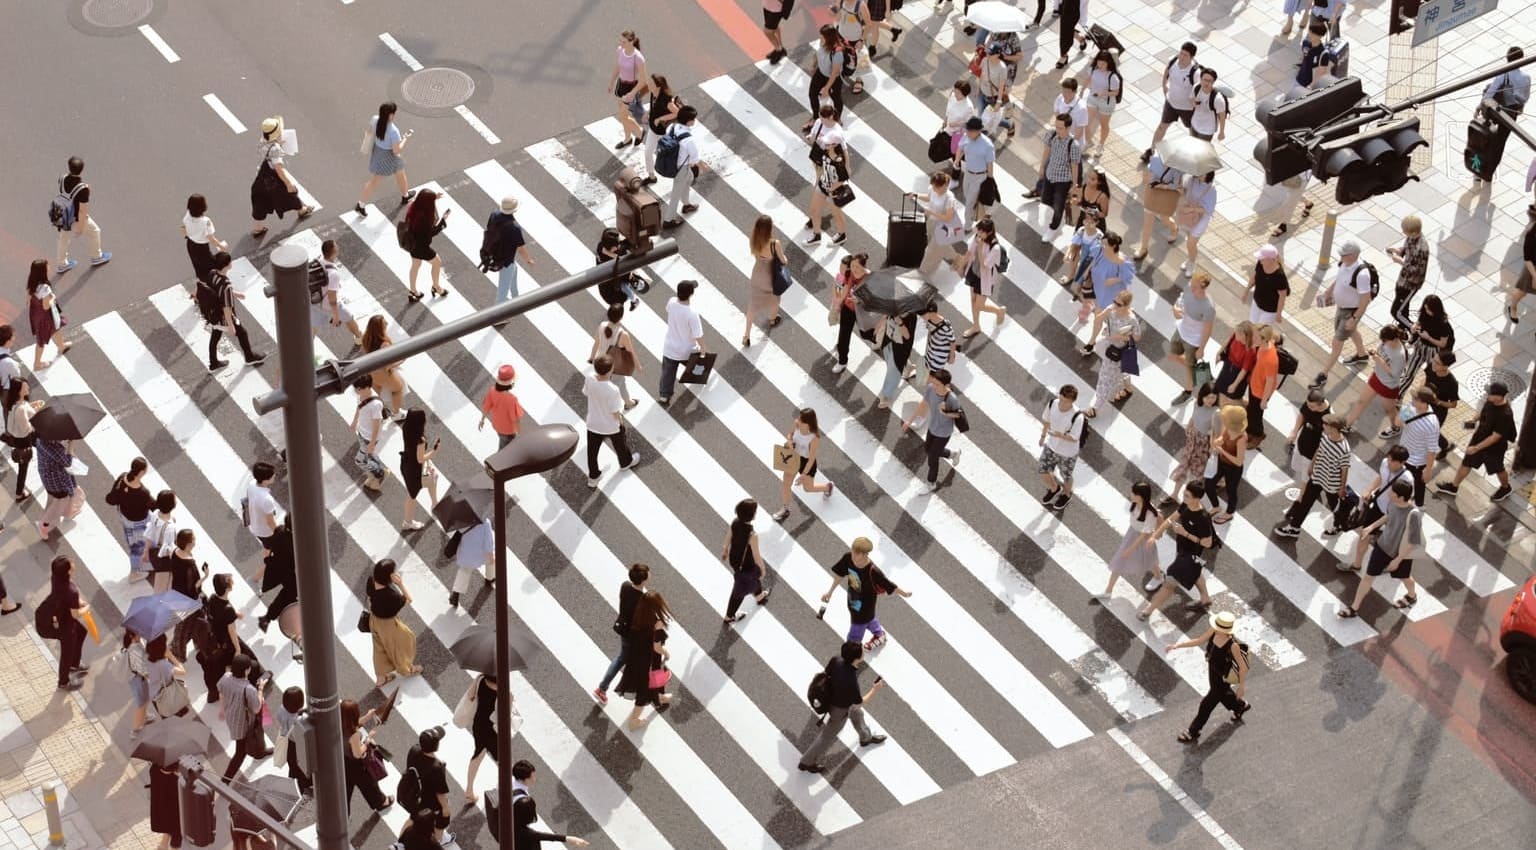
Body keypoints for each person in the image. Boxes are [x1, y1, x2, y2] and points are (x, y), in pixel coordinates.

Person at [797, 640, 887, 773]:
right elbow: (859, 702)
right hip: (840, 709)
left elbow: (827, 673)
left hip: (834, 699)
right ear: (857, 658)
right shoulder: (851, 680)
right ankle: (806, 762)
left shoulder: (836, 659)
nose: (863, 651)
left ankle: (865, 737)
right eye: (862, 651)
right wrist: (875, 689)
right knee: (826, 737)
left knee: (858, 714)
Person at [1338, 480, 1422, 617]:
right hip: (1382, 547)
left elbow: (1413, 541)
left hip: (1400, 554)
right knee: (1368, 577)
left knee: (1405, 577)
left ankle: (1412, 596)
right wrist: (1371, 527)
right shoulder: (1394, 504)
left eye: (1392, 492)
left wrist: (1398, 560)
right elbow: (1388, 516)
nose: (1389, 493)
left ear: (1401, 497)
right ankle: (1354, 608)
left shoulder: (1413, 514)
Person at [1167, 611, 1250, 743]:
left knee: (1207, 704)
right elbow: (1199, 640)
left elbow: (1243, 667)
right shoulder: (1214, 631)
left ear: (1226, 630)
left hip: (1223, 678)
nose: (1216, 629)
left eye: (1219, 628)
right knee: (1223, 695)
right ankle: (1240, 706)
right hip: (1213, 671)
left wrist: (1242, 687)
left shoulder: (1233, 646)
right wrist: (1177, 646)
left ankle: (1193, 731)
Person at [1139, 482, 1217, 618]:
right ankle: (1205, 599)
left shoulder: (1203, 518)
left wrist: (1185, 533)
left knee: (1169, 583)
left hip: (1190, 555)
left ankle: (1148, 611)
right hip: (1182, 549)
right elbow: (1171, 519)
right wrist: (1155, 536)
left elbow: (1208, 543)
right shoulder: (1186, 505)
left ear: (1197, 499)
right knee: (1196, 572)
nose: (1183, 497)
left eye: (1187, 496)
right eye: (1184, 494)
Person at [821, 537, 912, 648]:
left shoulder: (873, 571)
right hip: (853, 600)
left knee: (853, 638)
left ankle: (852, 654)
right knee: (869, 619)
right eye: (853, 551)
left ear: (865, 554)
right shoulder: (848, 558)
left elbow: (889, 585)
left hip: (865, 607)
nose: (853, 556)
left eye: (856, 554)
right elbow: (840, 574)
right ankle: (879, 634)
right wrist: (830, 592)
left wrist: (904, 593)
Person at [1436, 381, 1517, 503]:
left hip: (1494, 448)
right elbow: (1483, 412)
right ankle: (1454, 487)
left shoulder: (1505, 414)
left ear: (1499, 396)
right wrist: (1473, 419)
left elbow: (1496, 437)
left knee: (1498, 469)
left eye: (1490, 394)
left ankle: (1506, 488)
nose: (1488, 395)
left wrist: (1476, 448)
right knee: (1466, 463)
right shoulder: (1491, 401)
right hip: (1479, 438)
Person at [1275, 415, 1351, 537]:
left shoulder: (1344, 449)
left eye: (1326, 425)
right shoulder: (1326, 436)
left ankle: (1339, 525)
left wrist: (1341, 488)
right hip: (1317, 475)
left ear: (1334, 428)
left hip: (1331, 483)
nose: (1323, 426)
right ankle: (1294, 528)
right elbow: (1319, 450)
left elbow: (1345, 470)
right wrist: (1312, 465)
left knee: (1335, 507)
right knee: (1305, 501)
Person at [197, 252, 266, 371]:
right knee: (242, 333)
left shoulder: (212, 273)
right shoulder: (226, 285)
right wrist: (231, 325)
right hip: (222, 317)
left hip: (213, 314)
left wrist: (235, 294)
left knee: (215, 336)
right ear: (227, 265)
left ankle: (213, 363)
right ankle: (249, 357)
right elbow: (227, 308)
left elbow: (216, 291)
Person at [616, 590, 675, 730]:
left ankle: (658, 697)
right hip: (648, 661)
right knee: (644, 691)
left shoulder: (639, 617)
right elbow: (656, 647)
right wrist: (666, 653)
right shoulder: (656, 624)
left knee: (653, 683)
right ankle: (634, 721)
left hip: (637, 657)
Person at [593, 564, 649, 705]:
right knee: (626, 660)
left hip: (623, 629)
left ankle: (603, 688)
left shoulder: (625, 586)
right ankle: (602, 688)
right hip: (633, 636)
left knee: (622, 658)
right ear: (643, 580)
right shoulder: (642, 600)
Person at [901, 369, 965, 494]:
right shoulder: (931, 388)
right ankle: (953, 454)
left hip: (944, 433)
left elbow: (958, 415)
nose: (934, 386)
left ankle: (931, 483)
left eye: (937, 385)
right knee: (928, 449)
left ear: (946, 385)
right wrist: (910, 420)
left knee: (932, 458)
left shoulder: (952, 399)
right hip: (932, 427)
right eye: (934, 383)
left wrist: (945, 412)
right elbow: (923, 404)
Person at [250, 117, 314, 236]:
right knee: (289, 194)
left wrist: (277, 143)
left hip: (261, 178)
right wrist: (288, 184)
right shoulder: (275, 149)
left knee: (259, 200)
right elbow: (279, 169)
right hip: (273, 180)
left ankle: (258, 229)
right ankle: (302, 210)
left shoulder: (262, 140)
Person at [1023, 113, 1082, 237]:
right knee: (1046, 199)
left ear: (1068, 128)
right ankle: (1057, 214)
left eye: (1060, 128)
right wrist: (1042, 167)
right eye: (1056, 126)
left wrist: (1075, 184)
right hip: (1050, 175)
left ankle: (1054, 227)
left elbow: (1075, 166)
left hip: (1063, 180)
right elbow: (1047, 151)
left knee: (1058, 205)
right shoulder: (1052, 135)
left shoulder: (1073, 145)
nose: (1057, 130)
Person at [1084, 289, 1140, 419]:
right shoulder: (1112, 310)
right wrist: (1106, 313)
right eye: (1115, 301)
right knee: (1118, 371)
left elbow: (1137, 337)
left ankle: (1095, 407)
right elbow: (1097, 320)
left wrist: (1120, 338)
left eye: (1119, 304)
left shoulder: (1131, 319)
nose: (1115, 305)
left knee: (1105, 377)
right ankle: (1127, 386)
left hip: (1118, 351)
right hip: (1108, 345)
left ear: (1127, 306)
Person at [1342, 325, 1407, 438]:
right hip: (1376, 377)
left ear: (1394, 339)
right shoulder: (1385, 343)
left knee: (1389, 410)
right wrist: (1374, 352)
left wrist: (1378, 360)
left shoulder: (1399, 355)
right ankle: (1346, 425)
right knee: (1361, 401)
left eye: (1385, 341)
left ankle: (1395, 427)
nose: (1383, 343)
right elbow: (1380, 351)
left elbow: (1394, 374)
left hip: (1388, 385)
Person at [510, 760, 591, 847]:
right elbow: (540, 836)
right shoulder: (523, 803)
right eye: (532, 777)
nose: (535, 779)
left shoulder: (511, 785)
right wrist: (569, 839)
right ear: (524, 780)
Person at [585, 355, 639, 487]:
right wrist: (621, 422)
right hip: (610, 425)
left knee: (592, 452)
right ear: (610, 371)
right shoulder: (612, 390)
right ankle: (625, 462)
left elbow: (586, 392)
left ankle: (593, 477)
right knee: (620, 444)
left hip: (593, 423)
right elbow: (615, 412)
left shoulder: (590, 378)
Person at [355, 102, 415, 216]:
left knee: (399, 173)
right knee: (376, 181)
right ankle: (360, 204)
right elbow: (397, 150)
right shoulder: (394, 131)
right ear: (391, 115)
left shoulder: (375, 119)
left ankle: (405, 196)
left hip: (378, 152)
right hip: (389, 156)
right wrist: (405, 139)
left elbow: (369, 132)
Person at [52, 157, 110, 273]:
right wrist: (81, 227)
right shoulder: (83, 189)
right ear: (81, 170)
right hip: (75, 218)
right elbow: (82, 211)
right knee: (95, 232)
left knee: (64, 239)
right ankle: (96, 256)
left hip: (63, 214)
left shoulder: (62, 178)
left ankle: (62, 263)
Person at [369, 559, 421, 687]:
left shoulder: (370, 581)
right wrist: (400, 584)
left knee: (379, 649)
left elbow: (370, 597)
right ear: (389, 576)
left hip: (374, 620)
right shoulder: (391, 596)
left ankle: (381, 678)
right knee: (402, 645)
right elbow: (408, 600)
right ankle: (406, 669)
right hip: (389, 624)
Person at [1102, 482, 1159, 597]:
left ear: (1141, 496)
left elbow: (1144, 534)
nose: (1131, 494)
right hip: (1132, 535)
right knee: (1119, 561)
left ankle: (1158, 577)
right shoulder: (1135, 505)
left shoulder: (1150, 514)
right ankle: (1108, 590)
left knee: (1149, 561)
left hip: (1143, 540)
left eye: (1133, 493)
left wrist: (1130, 550)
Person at [953, 218, 1008, 339]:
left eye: (981, 232)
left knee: (979, 305)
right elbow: (969, 253)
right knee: (973, 300)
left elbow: (985, 265)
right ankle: (976, 326)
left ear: (988, 232)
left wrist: (979, 248)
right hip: (973, 272)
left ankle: (999, 311)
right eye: (978, 231)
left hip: (985, 279)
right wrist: (961, 266)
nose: (978, 234)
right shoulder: (977, 238)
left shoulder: (995, 248)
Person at [102, 457, 155, 580]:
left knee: (135, 542)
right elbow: (152, 505)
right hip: (138, 522)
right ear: (141, 472)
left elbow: (112, 498)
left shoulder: (123, 478)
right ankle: (135, 572)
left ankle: (146, 560)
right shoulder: (142, 492)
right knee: (137, 546)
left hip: (125, 517)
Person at [777, 408, 834, 521]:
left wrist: (803, 475)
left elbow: (811, 459)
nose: (798, 420)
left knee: (808, 488)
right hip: (793, 457)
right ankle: (785, 509)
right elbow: (790, 434)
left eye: (801, 419)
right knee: (786, 484)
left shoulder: (814, 437)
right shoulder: (797, 424)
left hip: (806, 462)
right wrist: (789, 441)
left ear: (808, 423)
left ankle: (828, 487)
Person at [720, 499, 772, 624]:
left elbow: (729, 536)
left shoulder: (735, 522)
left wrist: (725, 549)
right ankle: (729, 616)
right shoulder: (752, 535)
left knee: (751, 579)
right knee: (741, 588)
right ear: (752, 515)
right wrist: (763, 569)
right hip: (746, 564)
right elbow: (756, 555)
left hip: (735, 560)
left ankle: (759, 596)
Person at [1168, 382, 1220, 506]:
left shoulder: (1216, 412)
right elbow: (1193, 416)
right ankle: (1175, 494)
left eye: (1213, 397)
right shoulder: (1197, 404)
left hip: (1203, 445)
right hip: (1192, 441)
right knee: (1184, 466)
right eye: (1208, 397)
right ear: (1202, 396)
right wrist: (1189, 426)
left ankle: (1190, 500)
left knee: (1197, 472)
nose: (1211, 400)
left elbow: (1216, 432)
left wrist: (1212, 446)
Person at [219, 654, 269, 780]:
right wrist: (261, 689)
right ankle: (225, 780)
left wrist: (222, 709)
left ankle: (259, 752)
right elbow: (257, 708)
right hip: (243, 724)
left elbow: (220, 691)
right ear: (247, 670)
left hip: (231, 716)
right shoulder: (249, 689)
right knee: (240, 753)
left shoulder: (226, 677)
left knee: (252, 740)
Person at [805, 106, 850, 245]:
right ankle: (816, 234)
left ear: (834, 144)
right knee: (814, 209)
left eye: (828, 144)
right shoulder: (827, 154)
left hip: (832, 185)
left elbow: (844, 177)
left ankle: (842, 234)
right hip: (825, 181)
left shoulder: (838, 160)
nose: (825, 145)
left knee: (836, 211)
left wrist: (832, 189)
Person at [1036, 384, 1086, 510]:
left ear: (1073, 401)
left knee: (1066, 476)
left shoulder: (1077, 416)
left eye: (1067, 402)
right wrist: (1043, 436)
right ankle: (1054, 488)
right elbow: (1047, 420)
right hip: (1051, 446)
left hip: (1067, 453)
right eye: (1062, 399)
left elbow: (1074, 437)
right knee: (1043, 469)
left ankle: (1066, 494)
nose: (1063, 404)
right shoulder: (1053, 403)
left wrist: (1058, 434)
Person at [400, 728, 453, 846]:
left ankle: (400, 844)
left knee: (413, 819)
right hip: (429, 803)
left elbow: (422, 764)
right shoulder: (437, 768)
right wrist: (445, 808)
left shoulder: (414, 750)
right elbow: (440, 793)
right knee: (441, 821)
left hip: (413, 794)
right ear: (436, 746)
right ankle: (440, 841)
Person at [1146, 43, 1201, 155]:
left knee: (1192, 131)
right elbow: (1167, 71)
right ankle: (1151, 150)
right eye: (1181, 53)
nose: (1181, 57)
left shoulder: (1195, 72)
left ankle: (1193, 154)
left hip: (1187, 108)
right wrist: (1164, 85)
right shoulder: (1173, 61)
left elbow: (1198, 88)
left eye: (1185, 55)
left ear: (1192, 57)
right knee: (1162, 126)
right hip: (1171, 103)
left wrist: (1194, 101)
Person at [341, 698, 393, 814]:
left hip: (344, 761)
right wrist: (368, 739)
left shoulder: (340, 724)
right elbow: (358, 754)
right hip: (356, 765)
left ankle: (343, 812)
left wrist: (368, 716)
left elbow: (354, 724)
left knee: (345, 790)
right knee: (369, 785)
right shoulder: (353, 735)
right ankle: (381, 802)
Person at [1169, 272, 1215, 404]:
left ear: (1203, 287)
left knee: (1189, 367)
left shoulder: (1208, 307)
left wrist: (1201, 348)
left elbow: (1208, 329)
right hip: (1181, 329)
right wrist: (1175, 309)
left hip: (1194, 339)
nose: (1191, 287)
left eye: (1195, 286)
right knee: (1174, 355)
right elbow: (1180, 301)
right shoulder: (1189, 289)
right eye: (1192, 284)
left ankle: (1188, 392)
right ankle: (1203, 374)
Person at [46, 557, 91, 690]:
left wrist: (77, 601)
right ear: (68, 572)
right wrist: (86, 608)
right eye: (71, 565)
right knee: (67, 651)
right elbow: (75, 614)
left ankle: (74, 665)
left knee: (82, 632)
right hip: (65, 622)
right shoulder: (71, 591)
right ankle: (63, 682)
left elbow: (71, 599)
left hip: (59, 613)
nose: (73, 565)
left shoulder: (56, 577)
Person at [658, 280, 706, 404]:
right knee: (695, 365)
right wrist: (703, 349)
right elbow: (698, 335)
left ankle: (664, 395)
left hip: (670, 348)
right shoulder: (692, 313)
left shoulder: (671, 302)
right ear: (691, 294)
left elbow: (668, 309)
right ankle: (697, 377)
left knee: (668, 374)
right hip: (687, 350)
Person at [661, 106, 708, 229]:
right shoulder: (688, 139)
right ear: (689, 121)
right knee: (676, 194)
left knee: (689, 178)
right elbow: (694, 159)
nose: (695, 121)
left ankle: (686, 204)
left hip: (673, 163)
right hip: (681, 168)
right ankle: (668, 220)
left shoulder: (673, 127)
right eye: (693, 119)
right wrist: (702, 166)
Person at [1132, 152, 1185, 261]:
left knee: (1164, 218)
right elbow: (1148, 177)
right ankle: (1143, 248)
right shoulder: (1155, 160)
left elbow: (1176, 185)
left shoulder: (1178, 169)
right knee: (1147, 223)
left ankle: (1174, 229)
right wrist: (1152, 180)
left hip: (1166, 196)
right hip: (1152, 192)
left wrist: (1163, 186)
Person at [588, 304, 641, 411]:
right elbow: (631, 352)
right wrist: (637, 365)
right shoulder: (623, 334)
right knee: (618, 384)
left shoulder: (602, 325)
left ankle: (627, 402)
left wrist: (592, 357)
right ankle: (626, 403)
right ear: (621, 317)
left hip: (600, 362)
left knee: (607, 383)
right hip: (614, 367)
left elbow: (597, 343)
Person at [482, 196, 534, 304]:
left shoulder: (494, 214)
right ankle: (496, 316)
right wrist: (528, 260)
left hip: (493, 253)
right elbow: (520, 248)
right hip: (505, 261)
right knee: (502, 291)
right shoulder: (514, 228)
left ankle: (515, 297)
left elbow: (488, 230)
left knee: (513, 271)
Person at [311, 240, 363, 346]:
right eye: (337, 248)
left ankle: (304, 352)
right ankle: (359, 338)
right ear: (334, 252)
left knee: (312, 328)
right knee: (349, 318)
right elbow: (332, 298)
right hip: (328, 305)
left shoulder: (318, 262)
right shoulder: (334, 274)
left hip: (315, 302)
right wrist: (335, 315)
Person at [1203, 405, 1249, 524]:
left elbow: (1239, 461)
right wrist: (1218, 442)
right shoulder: (1228, 429)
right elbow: (1222, 438)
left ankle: (1229, 513)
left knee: (1231, 490)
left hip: (1234, 469)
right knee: (1208, 484)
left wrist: (1222, 451)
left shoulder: (1241, 438)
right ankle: (1216, 506)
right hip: (1221, 462)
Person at [744, 215, 786, 346]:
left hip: (757, 275)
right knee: (775, 299)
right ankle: (773, 319)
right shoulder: (774, 244)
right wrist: (785, 258)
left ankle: (746, 335)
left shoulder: (754, 239)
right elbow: (783, 261)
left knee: (753, 305)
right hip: (770, 277)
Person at [402, 189, 450, 300]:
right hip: (421, 246)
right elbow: (431, 233)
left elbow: (424, 202)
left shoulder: (414, 206)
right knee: (437, 262)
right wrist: (443, 221)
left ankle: (413, 291)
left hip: (412, 243)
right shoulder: (424, 218)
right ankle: (436, 287)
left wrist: (434, 198)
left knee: (415, 265)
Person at [396, 409, 439, 533]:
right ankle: (408, 522)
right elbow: (420, 459)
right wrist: (435, 451)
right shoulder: (420, 440)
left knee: (432, 479)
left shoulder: (406, 428)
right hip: (415, 471)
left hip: (406, 464)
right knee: (412, 495)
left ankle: (435, 505)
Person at [1397, 387, 1441, 506]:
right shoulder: (1411, 408)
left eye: (1415, 399)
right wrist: (1405, 410)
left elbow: (1432, 450)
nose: (1412, 400)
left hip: (1416, 462)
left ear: (1423, 402)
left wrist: (1427, 470)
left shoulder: (1432, 423)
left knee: (1418, 486)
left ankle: (1419, 505)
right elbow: (1397, 423)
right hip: (1403, 453)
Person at [25, 259, 71, 371]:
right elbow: (46, 306)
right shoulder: (45, 288)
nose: (49, 267)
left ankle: (61, 346)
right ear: (42, 270)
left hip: (35, 313)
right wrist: (53, 298)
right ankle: (37, 363)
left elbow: (27, 301)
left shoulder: (31, 283)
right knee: (41, 340)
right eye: (47, 266)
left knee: (56, 327)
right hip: (45, 316)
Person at [1080, 230, 1134, 324]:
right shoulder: (1099, 249)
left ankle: (1112, 325)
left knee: (1110, 308)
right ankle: (1089, 309)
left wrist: (1114, 280)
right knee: (1088, 295)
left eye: (1106, 245)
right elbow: (1093, 259)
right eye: (1102, 243)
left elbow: (1128, 276)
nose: (1103, 246)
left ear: (1113, 246)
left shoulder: (1121, 260)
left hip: (1112, 289)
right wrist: (1087, 269)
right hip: (1097, 282)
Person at [954, 117, 997, 233]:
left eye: (970, 131)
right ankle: (979, 212)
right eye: (967, 130)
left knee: (969, 203)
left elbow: (990, 163)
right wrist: (957, 161)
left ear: (978, 131)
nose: (967, 132)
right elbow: (960, 148)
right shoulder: (966, 137)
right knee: (967, 196)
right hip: (968, 172)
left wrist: (989, 179)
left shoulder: (987, 145)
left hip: (980, 176)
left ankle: (968, 225)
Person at [256, 516, 297, 637]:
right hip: (289, 572)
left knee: (289, 595)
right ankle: (273, 618)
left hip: (277, 568)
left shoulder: (280, 530)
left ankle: (267, 618)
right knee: (290, 595)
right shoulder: (296, 542)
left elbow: (271, 546)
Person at [1385, 215, 1429, 327]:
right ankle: (1403, 329)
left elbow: (1417, 270)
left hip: (1411, 284)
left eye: (1406, 232)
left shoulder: (1422, 247)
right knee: (1403, 309)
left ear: (1414, 233)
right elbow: (1406, 249)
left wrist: (1400, 262)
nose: (1404, 233)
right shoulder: (1411, 238)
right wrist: (1398, 251)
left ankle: (1413, 331)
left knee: (1397, 312)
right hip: (1403, 280)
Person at [462, 674, 498, 806]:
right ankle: (506, 789)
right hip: (493, 729)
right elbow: (505, 713)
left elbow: (470, 696)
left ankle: (469, 789)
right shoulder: (502, 690)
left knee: (478, 754)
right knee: (503, 760)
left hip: (478, 724)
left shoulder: (481, 679)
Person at [609, 31, 650, 149]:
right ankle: (627, 138)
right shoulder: (620, 50)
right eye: (620, 41)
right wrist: (612, 82)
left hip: (632, 88)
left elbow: (643, 80)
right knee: (623, 115)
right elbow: (618, 66)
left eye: (624, 42)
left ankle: (639, 132)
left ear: (631, 42)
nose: (621, 43)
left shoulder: (638, 58)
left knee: (623, 116)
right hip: (621, 84)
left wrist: (631, 94)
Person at [36, 436, 82, 540]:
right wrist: (71, 446)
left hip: (46, 475)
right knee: (60, 502)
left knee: (52, 500)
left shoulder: (40, 439)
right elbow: (67, 462)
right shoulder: (54, 448)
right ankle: (44, 524)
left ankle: (64, 514)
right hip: (57, 480)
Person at [360, 315, 407, 417]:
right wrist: (402, 360)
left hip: (372, 373)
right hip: (384, 373)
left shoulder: (366, 338)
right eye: (384, 323)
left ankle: (382, 411)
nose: (387, 324)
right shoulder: (384, 344)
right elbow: (388, 365)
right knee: (397, 390)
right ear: (379, 328)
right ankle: (397, 414)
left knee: (380, 393)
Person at [829, 254, 869, 373]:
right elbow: (846, 288)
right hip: (848, 308)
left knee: (867, 334)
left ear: (863, 266)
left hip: (862, 311)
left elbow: (872, 299)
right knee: (844, 335)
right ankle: (842, 361)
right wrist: (838, 305)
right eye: (852, 266)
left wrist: (860, 301)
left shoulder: (870, 278)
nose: (854, 270)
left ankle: (878, 340)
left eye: (857, 267)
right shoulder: (850, 274)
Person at [349, 375, 389, 492]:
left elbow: (377, 424)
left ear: (367, 388)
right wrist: (355, 421)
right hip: (362, 432)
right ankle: (379, 469)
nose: (356, 391)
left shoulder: (376, 405)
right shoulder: (362, 396)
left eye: (359, 389)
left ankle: (379, 473)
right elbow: (359, 407)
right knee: (370, 455)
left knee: (359, 461)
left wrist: (372, 443)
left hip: (369, 437)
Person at [1284, 389, 1333, 482]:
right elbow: (1302, 414)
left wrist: (1315, 460)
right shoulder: (1309, 404)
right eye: (1308, 404)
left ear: (1321, 404)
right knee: (1297, 466)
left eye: (1312, 406)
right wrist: (1294, 432)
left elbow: (1327, 439)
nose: (1309, 407)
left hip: (1313, 452)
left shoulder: (1329, 416)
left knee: (1307, 477)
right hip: (1302, 441)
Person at [4, 378, 40, 502]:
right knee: (23, 467)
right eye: (25, 388)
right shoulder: (20, 410)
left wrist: (31, 407)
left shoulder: (17, 404)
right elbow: (26, 429)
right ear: (18, 391)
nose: (28, 388)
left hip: (19, 439)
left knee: (24, 465)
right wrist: (36, 415)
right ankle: (19, 493)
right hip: (25, 440)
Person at [1176, 171, 1217, 278]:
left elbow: (1209, 210)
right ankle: (1190, 258)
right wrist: (1181, 192)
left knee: (1191, 243)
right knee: (1190, 241)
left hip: (1201, 219)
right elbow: (1185, 194)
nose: (1199, 174)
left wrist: (1192, 209)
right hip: (1188, 216)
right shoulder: (1190, 179)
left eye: (1202, 172)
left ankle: (1192, 264)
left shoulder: (1211, 189)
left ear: (1209, 174)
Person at [1245, 324, 1281, 447]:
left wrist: (1264, 400)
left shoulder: (1271, 359)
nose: (1253, 338)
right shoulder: (1263, 345)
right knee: (1251, 410)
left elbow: (1270, 382)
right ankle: (1250, 430)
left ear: (1264, 339)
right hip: (1255, 383)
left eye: (1256, 337)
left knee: (1256, 415)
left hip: (1261, 392)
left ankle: (1258, 435)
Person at [904, 302, 956, 384]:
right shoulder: (929, 321)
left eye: (923, 315)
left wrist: (952, 356)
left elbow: (952, 342)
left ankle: (941, 386)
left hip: (939, 357)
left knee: (933, 376)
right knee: (927, 368)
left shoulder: (945, 326)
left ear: (931, 313)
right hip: (931, 352)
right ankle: (921, 374)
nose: (921, 317)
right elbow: (930, 333)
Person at [805, 24, 846, 127]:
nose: (820, 38)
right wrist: (813, 65)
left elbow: (835, 73)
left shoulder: (837, 53)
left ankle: (837, 119)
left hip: (833, 78)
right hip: (820, 73)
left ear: (829, 37)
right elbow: (818, 53)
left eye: (822, 36)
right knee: (812, 94)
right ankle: (815, 117)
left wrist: (827, 88)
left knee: (836, 98)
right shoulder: (823, 43)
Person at [449, 517, 494, 610]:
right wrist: (490, 554)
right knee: (491, 563)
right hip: (480, 552)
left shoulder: (463, 519)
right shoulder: (485, 523)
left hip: (466, 552)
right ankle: (490, 578)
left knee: (464, 571)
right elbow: (488, 542)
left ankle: (456, 594)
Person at [1083, 51, 1122, 156]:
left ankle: (1101, 145)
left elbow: (1116, 92)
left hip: (1106, 102)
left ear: (1108, 63)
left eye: (1103, 64)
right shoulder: (1093, 69)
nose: (1100, 66)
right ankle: (1088, 141)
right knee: (1086, 121)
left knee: (1104, 125)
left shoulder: (1113, 77)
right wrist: (1082, 90)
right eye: (1099, 63)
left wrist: (1104, 93)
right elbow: (1088, 79)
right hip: (1093, 98)